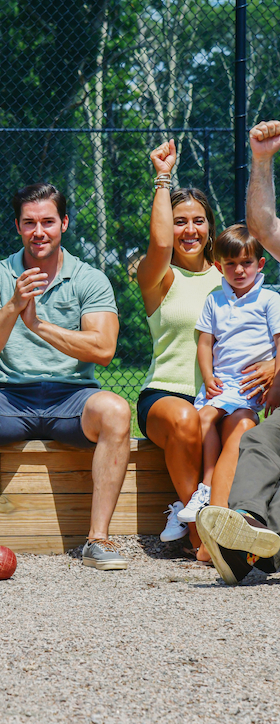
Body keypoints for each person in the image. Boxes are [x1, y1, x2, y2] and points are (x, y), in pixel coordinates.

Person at [0, 182, 132, 571]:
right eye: (29, 223)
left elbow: (103, 350)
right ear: (18, 226)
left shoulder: (90, 278)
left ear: (64, 224)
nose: (39, 231)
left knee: (117, 410)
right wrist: (14, 306)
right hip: (9, 397)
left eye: (48, 222)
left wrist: (38, 325)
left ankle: (97, 539)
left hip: (72, 398)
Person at [135, 141, 273, 559]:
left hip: (228, 394)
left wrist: (271, 362)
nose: (189, 230)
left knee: (245, 429)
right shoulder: (157, 276)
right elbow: (159, 245)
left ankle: (224, 524)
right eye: (180, 222)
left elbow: (266, 322)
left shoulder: (231, 277)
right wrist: (163, 178)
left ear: (211, 228)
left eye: (198, 221)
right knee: (185, 418)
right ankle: (195, 523)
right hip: (168, 396)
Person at [198, 120, 280, 584]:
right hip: (260, 403)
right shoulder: (222, 298)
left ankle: (262, 549)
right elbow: (263, 225)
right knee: (260, 441)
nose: (239, 269)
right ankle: (242, 533)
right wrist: (263, 160)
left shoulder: (268, 300)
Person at [185, 224, 280, 525]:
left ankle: (213, 491)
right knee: (202, 419)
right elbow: (204, 342)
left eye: (246, 263)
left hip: (250, 388)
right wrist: (208, 376)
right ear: (219, 266)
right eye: (231, 264)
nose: (239, 270)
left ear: (260, 264)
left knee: (240, 424)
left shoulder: (269, 300)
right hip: (222, 384)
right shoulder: (215, 299)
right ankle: (207, 487)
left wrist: (276, 383)